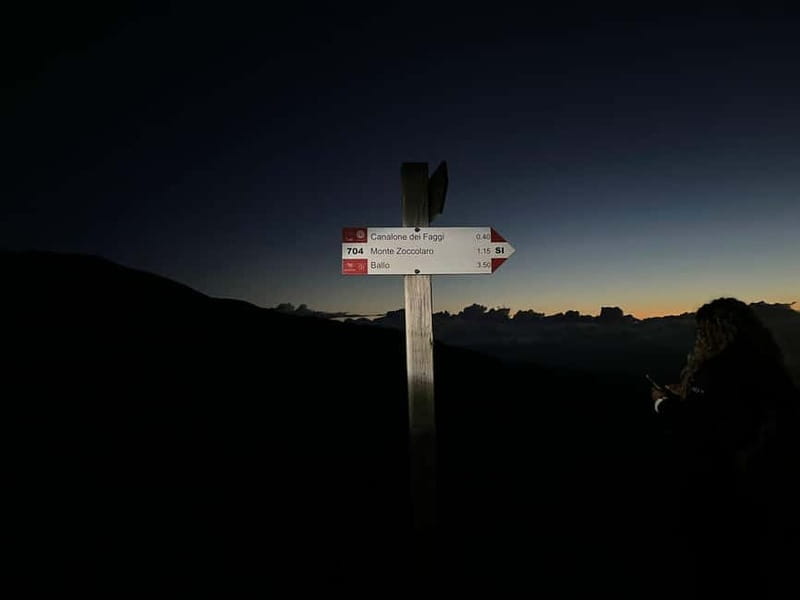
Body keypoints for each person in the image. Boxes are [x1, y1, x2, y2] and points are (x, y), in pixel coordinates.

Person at [650, 298, 799, 598]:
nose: (699, 338)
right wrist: (690, 396)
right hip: (764, 488)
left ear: (716, 332)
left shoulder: (719, 370)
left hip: (721, 489)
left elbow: (698, 427)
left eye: (702, 332)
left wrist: (661, 402)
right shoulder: (766, 364)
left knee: (719, 567)